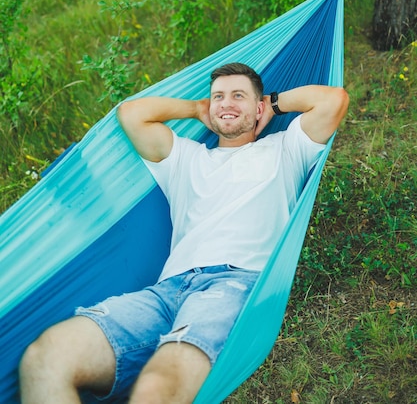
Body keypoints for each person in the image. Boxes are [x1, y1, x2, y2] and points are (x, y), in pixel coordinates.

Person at [19, 62, 349, 404]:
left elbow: (333, 100)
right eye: (218, 96)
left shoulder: (285, 149)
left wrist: (273, 102)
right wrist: (195, 109)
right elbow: (132, 114)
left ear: (259, 107)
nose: (226, 103)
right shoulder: (186, 159)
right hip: (164, 294)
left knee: (156, 388)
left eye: (239, 96)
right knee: (44, 358)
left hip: (232, 286)